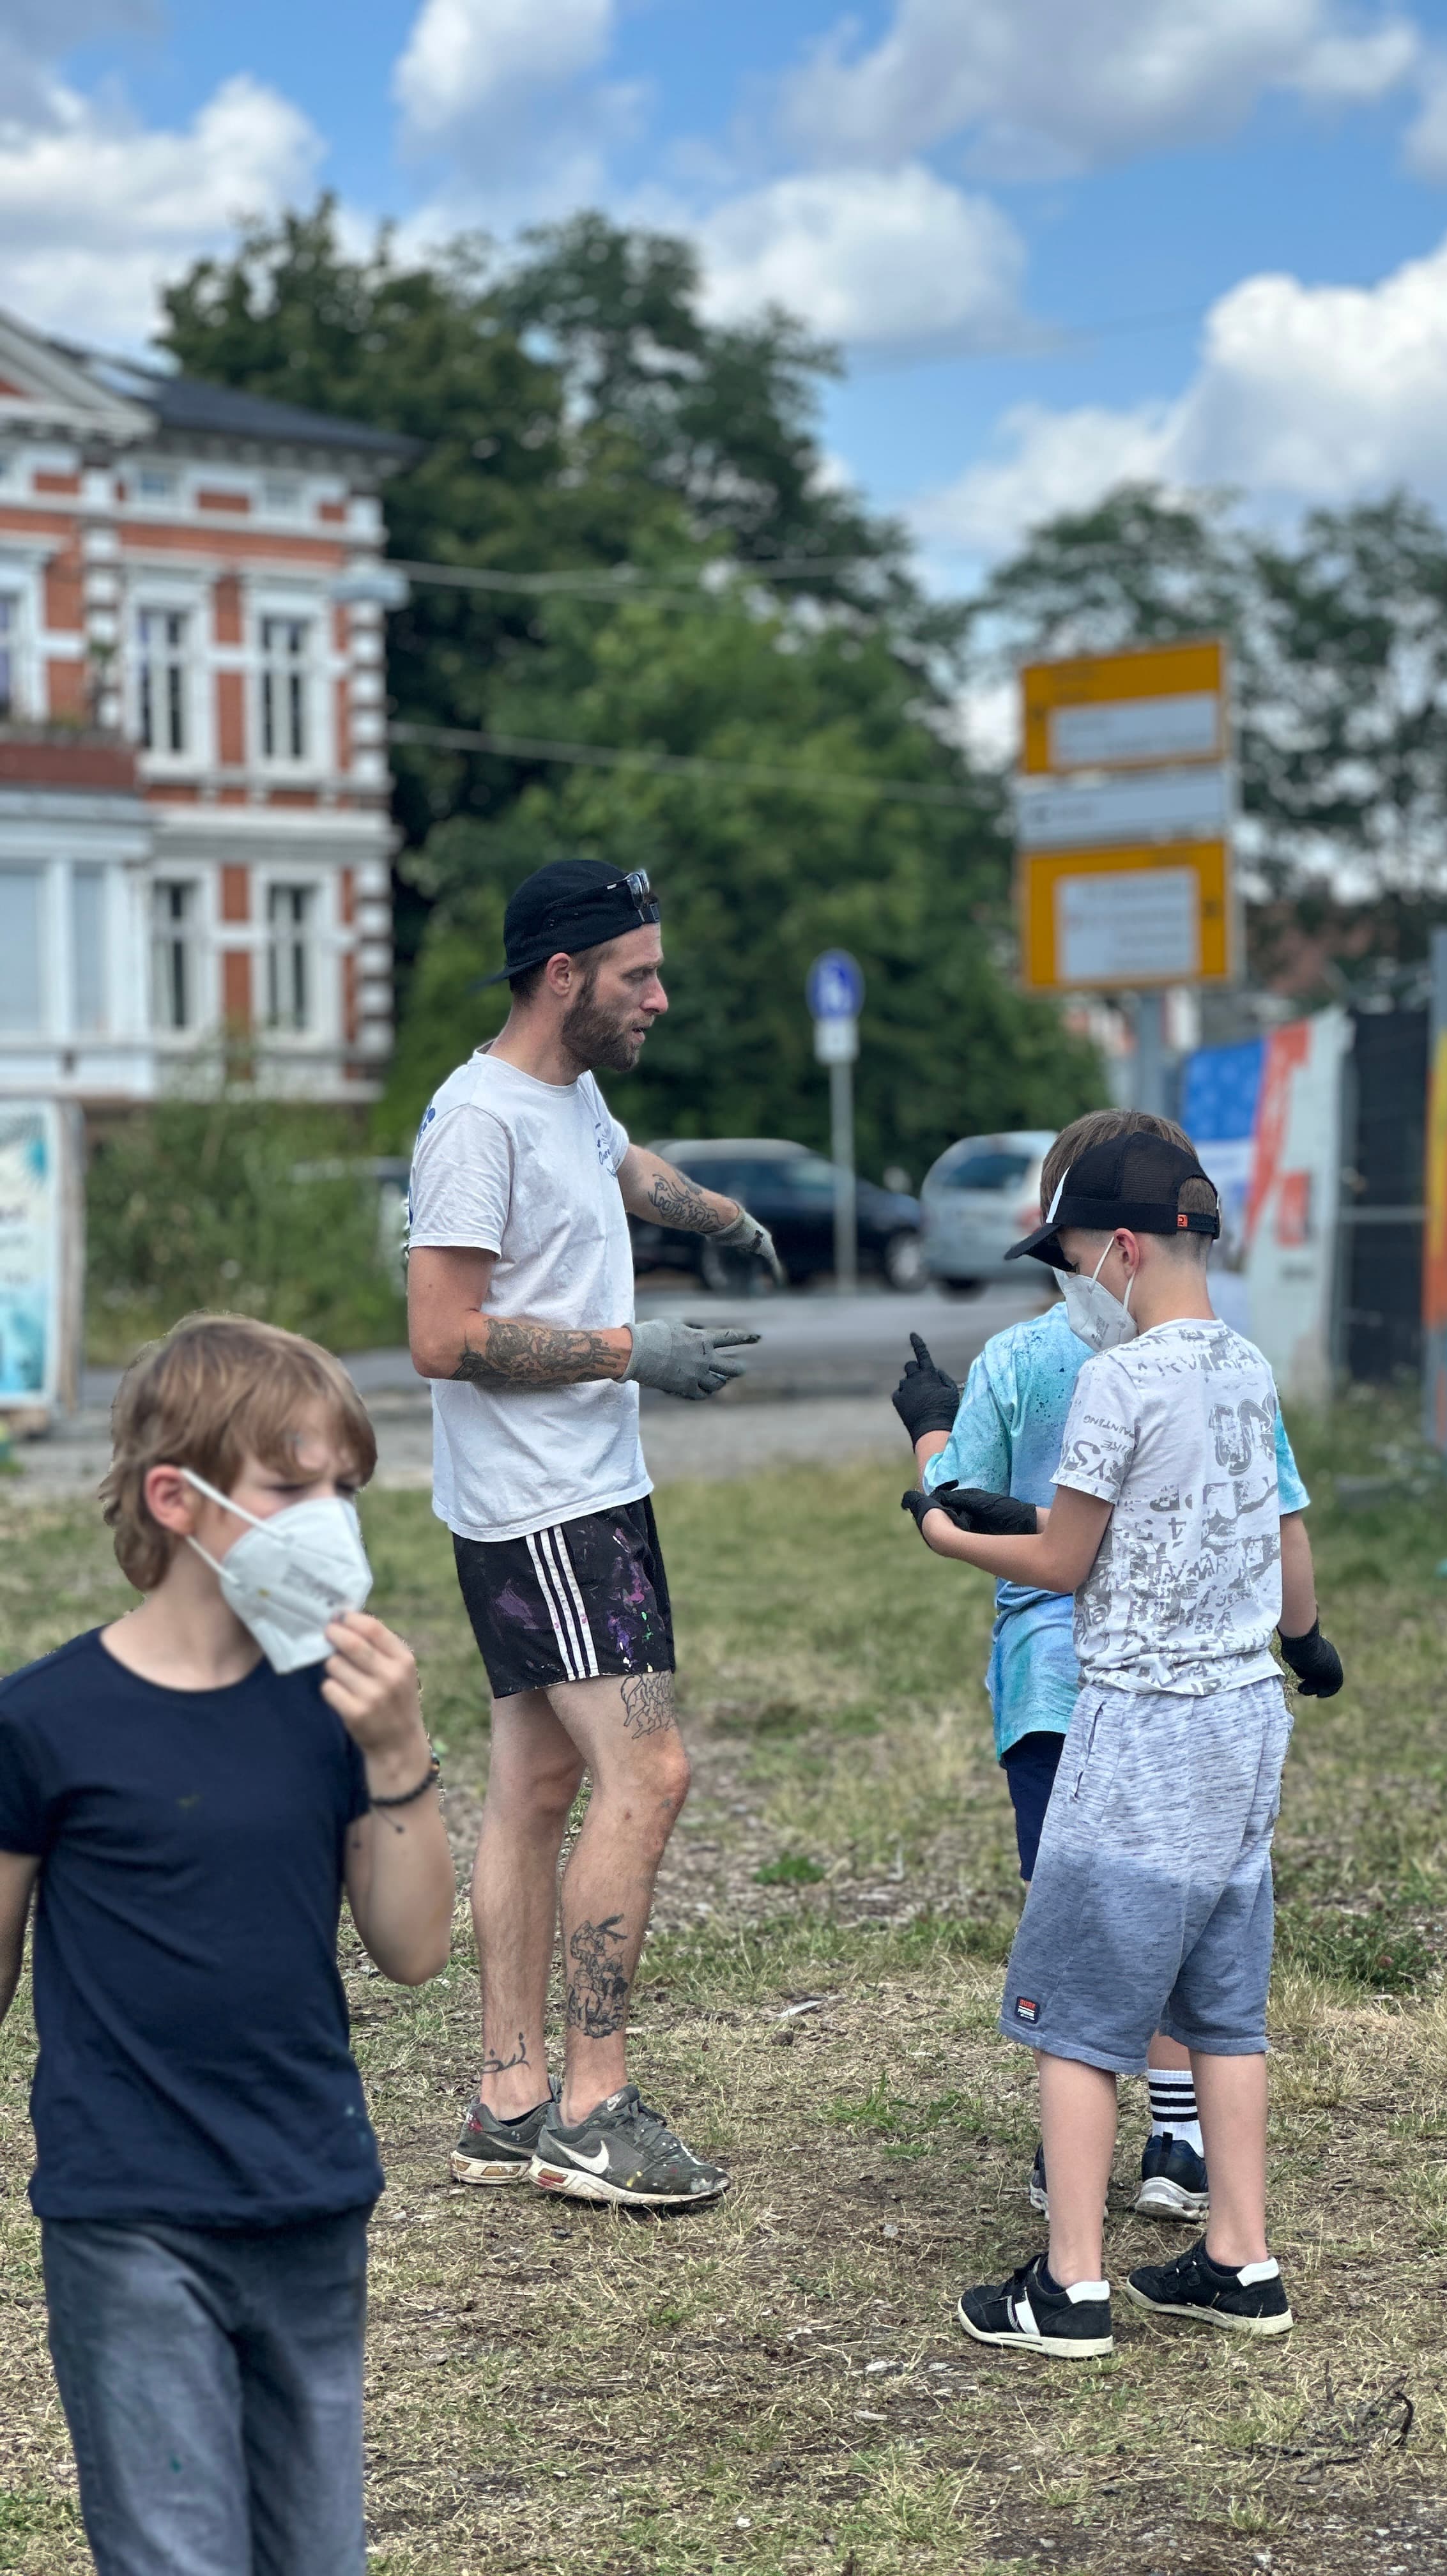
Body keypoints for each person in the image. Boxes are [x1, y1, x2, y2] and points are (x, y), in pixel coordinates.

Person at [0, 1313, 454, 2575]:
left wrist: (399, 1754)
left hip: (309, 2194)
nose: (332, 1520)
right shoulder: (44, 1721)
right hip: (128, 2212)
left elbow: (413, 1947)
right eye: (294, 1488)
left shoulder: (336, 1708)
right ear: (176, 1498)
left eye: (347, 1491)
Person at [901, 1128, 1344, 2359]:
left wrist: (946, 1526)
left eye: (1082, 1256)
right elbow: (1248, 1535)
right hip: (1244, 1728)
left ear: (1129, 1248)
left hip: (1136, 1731)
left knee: (1076, 2019)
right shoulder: (1249, 1373)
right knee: (1224, 2013)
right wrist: (1303, 1640)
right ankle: (1243, 2261)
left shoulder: (1116, 1378)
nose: (1079, 1278)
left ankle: (1072, 2287)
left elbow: (1060, 1560)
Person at [407, 855, 781, 2211]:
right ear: (562, 977)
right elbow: (441, 1337)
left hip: (581, 1493)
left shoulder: (566, 1097)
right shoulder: (476, 1121)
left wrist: (721, 1215)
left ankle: (510, 2103)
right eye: (638, 976)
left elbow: (621, 1168)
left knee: (536, 1787)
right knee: (652, 1774)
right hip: (546, 1510)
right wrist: (632, 1350)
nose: (659, 998)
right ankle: (593, 2105)